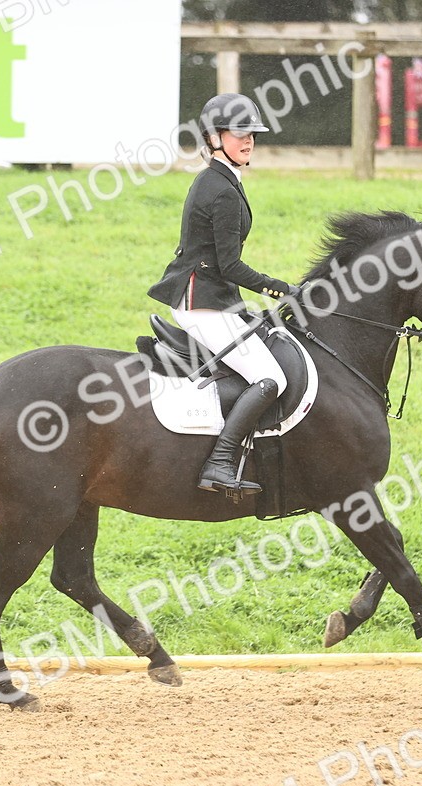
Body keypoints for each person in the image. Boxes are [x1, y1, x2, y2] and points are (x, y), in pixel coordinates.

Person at [148, 93, 299, 496]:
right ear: (214, 137)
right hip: (202, 305)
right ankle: (219, 462)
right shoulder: (221, 190)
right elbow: (230, 266)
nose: (247, 141)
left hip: (215, 296)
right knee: (269, 378)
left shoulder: (222, 179)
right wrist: (283, 289)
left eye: (251, 134)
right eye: (239, 134)